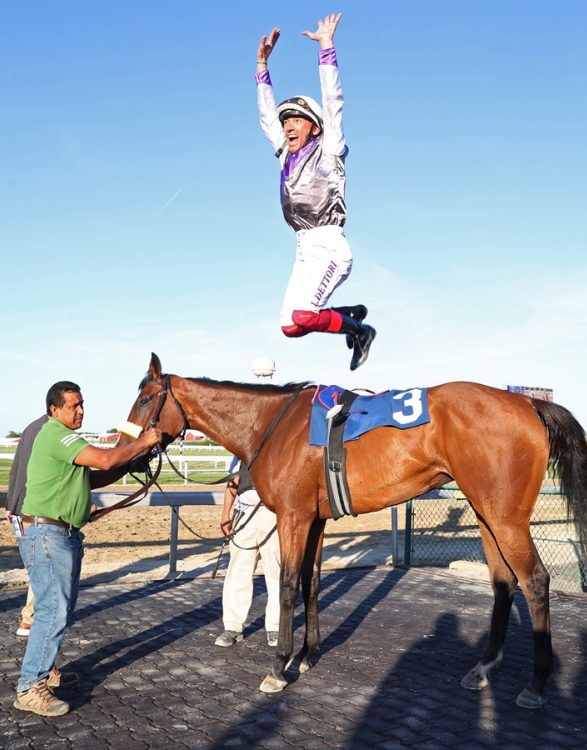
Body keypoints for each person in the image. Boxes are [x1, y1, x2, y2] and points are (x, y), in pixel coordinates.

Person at [13, 381, 162, 717]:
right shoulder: (56, 435)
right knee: (53, 610)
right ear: (54, 410)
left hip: (58, 534)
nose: (80, 411)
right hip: (49, 534)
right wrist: (144, 442)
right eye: (73, 406)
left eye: (82, 405)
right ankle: (29, 686)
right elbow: (105, 460)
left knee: (55, 609)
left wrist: (130, 464)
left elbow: (91, 478)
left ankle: (43, 670)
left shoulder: (61, 439)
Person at [256, 12, 376, 371]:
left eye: (296, 120)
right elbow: (266, 117)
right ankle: (348, 315)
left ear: (314, 127)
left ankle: (361, 330)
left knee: (305, 315)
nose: (288, 126)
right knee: (290, 325)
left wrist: (326, 46)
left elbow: (334, 101)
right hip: (304, 249)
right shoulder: (284, 155)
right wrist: (262, 65)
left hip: (330, 246)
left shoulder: (330, 147)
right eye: (286, 121)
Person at [215, 460, 281, 648]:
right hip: (244, 513)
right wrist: (225, 515)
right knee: (237, 571)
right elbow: (233, 482)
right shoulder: (240, 449)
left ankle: (275, 626)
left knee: (276, 570)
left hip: (272, 514)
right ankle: (233, 627)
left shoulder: (279, 442)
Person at [5, 414, 48, 638]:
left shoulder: (30, 427)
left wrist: (9, 505)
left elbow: (16, 468)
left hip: (17, 510)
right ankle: (29, 620)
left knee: (33, 563)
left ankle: (29, 618)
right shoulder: (50, 430)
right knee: (40, 564)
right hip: (34, 510)